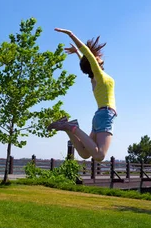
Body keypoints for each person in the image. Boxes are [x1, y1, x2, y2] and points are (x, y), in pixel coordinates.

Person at [48, 28, 116, 161]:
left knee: (85, 154)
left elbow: (87, 61)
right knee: (99, 155)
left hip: (100, 116)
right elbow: (88, 55)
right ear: (93, 63)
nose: (99, 57)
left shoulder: (94, 78)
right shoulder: (99, 76)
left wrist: (77, 53)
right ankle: (71, 127)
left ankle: (69, 127)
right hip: (106, 115)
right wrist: (71, 34)